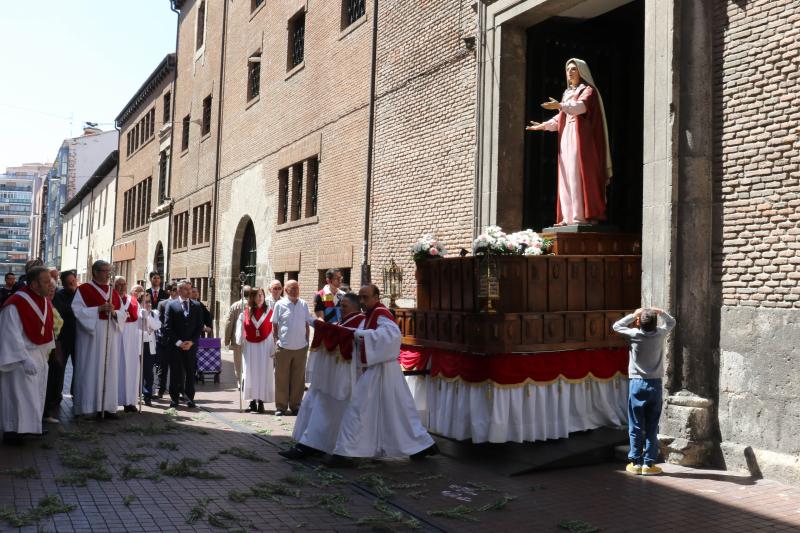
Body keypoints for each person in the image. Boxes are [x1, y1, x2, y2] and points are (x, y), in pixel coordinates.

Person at [332, 284, 438, 460]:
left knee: (359, 408)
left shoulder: (382, 313)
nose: (362, 301)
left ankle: (344, 453)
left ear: (376, 297)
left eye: (366, 297)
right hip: (377, 369)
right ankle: (421, 446)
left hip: (383, 369)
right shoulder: (371, 314)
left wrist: (362, 335)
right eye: (360, 297)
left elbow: (392, 336)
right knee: (397, 411)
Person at [526, 58, 612, 226]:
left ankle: (580, 217)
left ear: (581, 71)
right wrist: (544, 126)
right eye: (568, 70)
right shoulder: (566, 94)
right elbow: (561, 117)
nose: (570, 72)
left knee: (575, 175)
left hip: (581, 141)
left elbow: (580, 107)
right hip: (566, 137)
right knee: (565, 175)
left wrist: (560, 105)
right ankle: (568, 217)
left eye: (574, 69)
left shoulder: (588, 90)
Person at [283, 292, 364, 459]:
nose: (340, 309)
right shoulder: (343, 321)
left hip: (344, 377)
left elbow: (358, 340)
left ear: (356, 306)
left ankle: (315, 446)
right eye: (341, 306)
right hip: (330, 376)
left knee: (330, 413)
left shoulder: (361, 322)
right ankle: (311, 445)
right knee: (318, 408)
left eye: (344, 306)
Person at [613, 307, 676, 476]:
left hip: (637, 384)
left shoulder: (634, 334)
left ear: (639, 322)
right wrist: (660, 311)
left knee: (635, 424)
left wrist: (633, 315)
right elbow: (672, 322)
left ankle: (635, 462)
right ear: (656, 322)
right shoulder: (660, 334)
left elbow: (616, 326)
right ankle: (649, 464)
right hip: (654, 384)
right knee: (652, 425)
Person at [0, 266, 54, 445]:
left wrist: (46, 351)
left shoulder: (43, 300)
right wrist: (23, 358)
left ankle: (30, 426)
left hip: (38, 354)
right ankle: (13, 430)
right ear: (33, 284)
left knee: (34, 394)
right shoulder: (15, 303)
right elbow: (9, 333)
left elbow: (46, 328)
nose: (50, 285)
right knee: (18, 395)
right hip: (19, 358)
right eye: (45, 281)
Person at [72, 260, 123, 419]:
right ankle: (86, 407)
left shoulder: (113, 291)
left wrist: (115, 313)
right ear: (95, 272)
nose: (108, 274)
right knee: (90, 369)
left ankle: (107, 407)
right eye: (105, 270)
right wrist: (98, 309)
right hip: (92, 336)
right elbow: (77, 310)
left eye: (110, 270)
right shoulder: (84, 289)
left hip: (110, 334)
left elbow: (123, 314)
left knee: (109, 370)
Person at [270, 280, 310, 416]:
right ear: (286, 290)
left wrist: (307, 341)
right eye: (292, 288)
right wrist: (277, 341)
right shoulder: (279, 305)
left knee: (298, 379)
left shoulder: (304, 304)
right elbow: (274, 325)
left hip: (301, 348)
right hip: (284, 348)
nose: (295, 290)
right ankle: (281, 407)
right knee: (281, 378)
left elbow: (306, 324)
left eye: (297, 288)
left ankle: (296, 406)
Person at [163, 279, 204, 408]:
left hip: (191, 346)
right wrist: (179, 342)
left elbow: (199, 326)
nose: (189, 291)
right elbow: (167, 326)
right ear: (179, 290)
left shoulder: (196, 306)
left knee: (190, 372)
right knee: (176, 372)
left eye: (190, 288)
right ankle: (174, 398)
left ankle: (189, 398)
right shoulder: (171, 305)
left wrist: (191, 341)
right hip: (176, 346)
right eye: (186, 289)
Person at [236, 287, 275, 413]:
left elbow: (274, 329)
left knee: (264, 372)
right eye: (257, 295)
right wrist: (239, 339)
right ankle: (252, 401)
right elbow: (240, 327)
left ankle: (261, 402)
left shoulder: (270, 311)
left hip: (265, 344)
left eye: (262, 295)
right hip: (250, 346)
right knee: (250, 372)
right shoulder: (245, 312)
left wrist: (274, 346)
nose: (260, 297)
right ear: (252, 297)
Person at [46, 270, 78, 419]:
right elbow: (62, 314)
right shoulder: (59, 296)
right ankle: (55, 398)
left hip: (78, 338)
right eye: (69, 283)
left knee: (79, 368)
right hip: (63, 339)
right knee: (59, 368)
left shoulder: (80, 294)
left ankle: (76, 394)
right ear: (63, 284)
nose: (73, 284)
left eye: (74, 281)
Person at [116, 278, 141, 413]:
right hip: (116, 337)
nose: (121, 287)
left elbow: (139, 318)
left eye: (124, 284)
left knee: (131, 369)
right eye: (118, 284)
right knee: (114, 369)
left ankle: (129, 401)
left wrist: (145, 315)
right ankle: (111, 402)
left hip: (131, 339)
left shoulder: (133, 300)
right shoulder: (110, 298)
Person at [42, 281, 63, 424]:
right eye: (49, 288)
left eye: (53, 289)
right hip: (45, 348)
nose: (52, 291)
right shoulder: (43, 304)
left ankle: (46, 411)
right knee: (46, 381)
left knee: (51, 381)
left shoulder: (50, 303)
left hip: (53, 345)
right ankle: (44, 413)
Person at [224, 285, 251, 387]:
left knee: (238, 362)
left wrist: (227, 340)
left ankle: (240, 381)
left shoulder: (235, 306)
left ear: (241, 293)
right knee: (249, 360)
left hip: (237, 339)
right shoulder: (255, 305)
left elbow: (229, 323)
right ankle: (248, 380)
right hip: (251, 339)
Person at [155, 283, 178, 398]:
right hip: (165, 341)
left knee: (176, 368)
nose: (176, 292)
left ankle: (176, 392)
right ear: (169, 291)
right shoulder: (162, 304)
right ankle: (161, 389)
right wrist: (168, 335)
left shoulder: (182, 304)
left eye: (178, 289)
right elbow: (159, 322)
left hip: (177, 343)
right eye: (174, 290)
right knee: (162, 368)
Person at [138, 293, 162, 407]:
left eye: (149, 301)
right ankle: (139, 393)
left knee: (149, 372)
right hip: (139, 345)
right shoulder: (137, 313)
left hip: (150, 346)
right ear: (140, 302)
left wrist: (148, 316)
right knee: (139, 372)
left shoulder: (154, 313)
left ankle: (147, 395)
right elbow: (137, 329)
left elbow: (157, 325)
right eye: (146, 301)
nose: (148, 304)